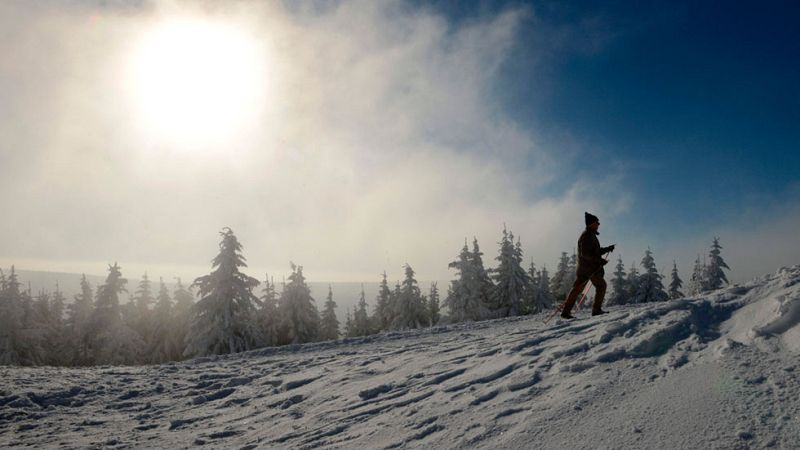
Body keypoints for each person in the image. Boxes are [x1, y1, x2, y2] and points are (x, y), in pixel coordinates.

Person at [560, 212, 615, 319]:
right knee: (601, 286)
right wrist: (600, 261)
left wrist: (607, 249)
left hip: (586, 268)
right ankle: (596, 310)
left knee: (576, 290)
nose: (599, 224)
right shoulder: (587, 236)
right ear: (591, 224)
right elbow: (585, 254)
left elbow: (595, 251)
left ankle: (566, 312)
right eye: (597, 222)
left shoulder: (590, 235)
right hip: (589, 269)